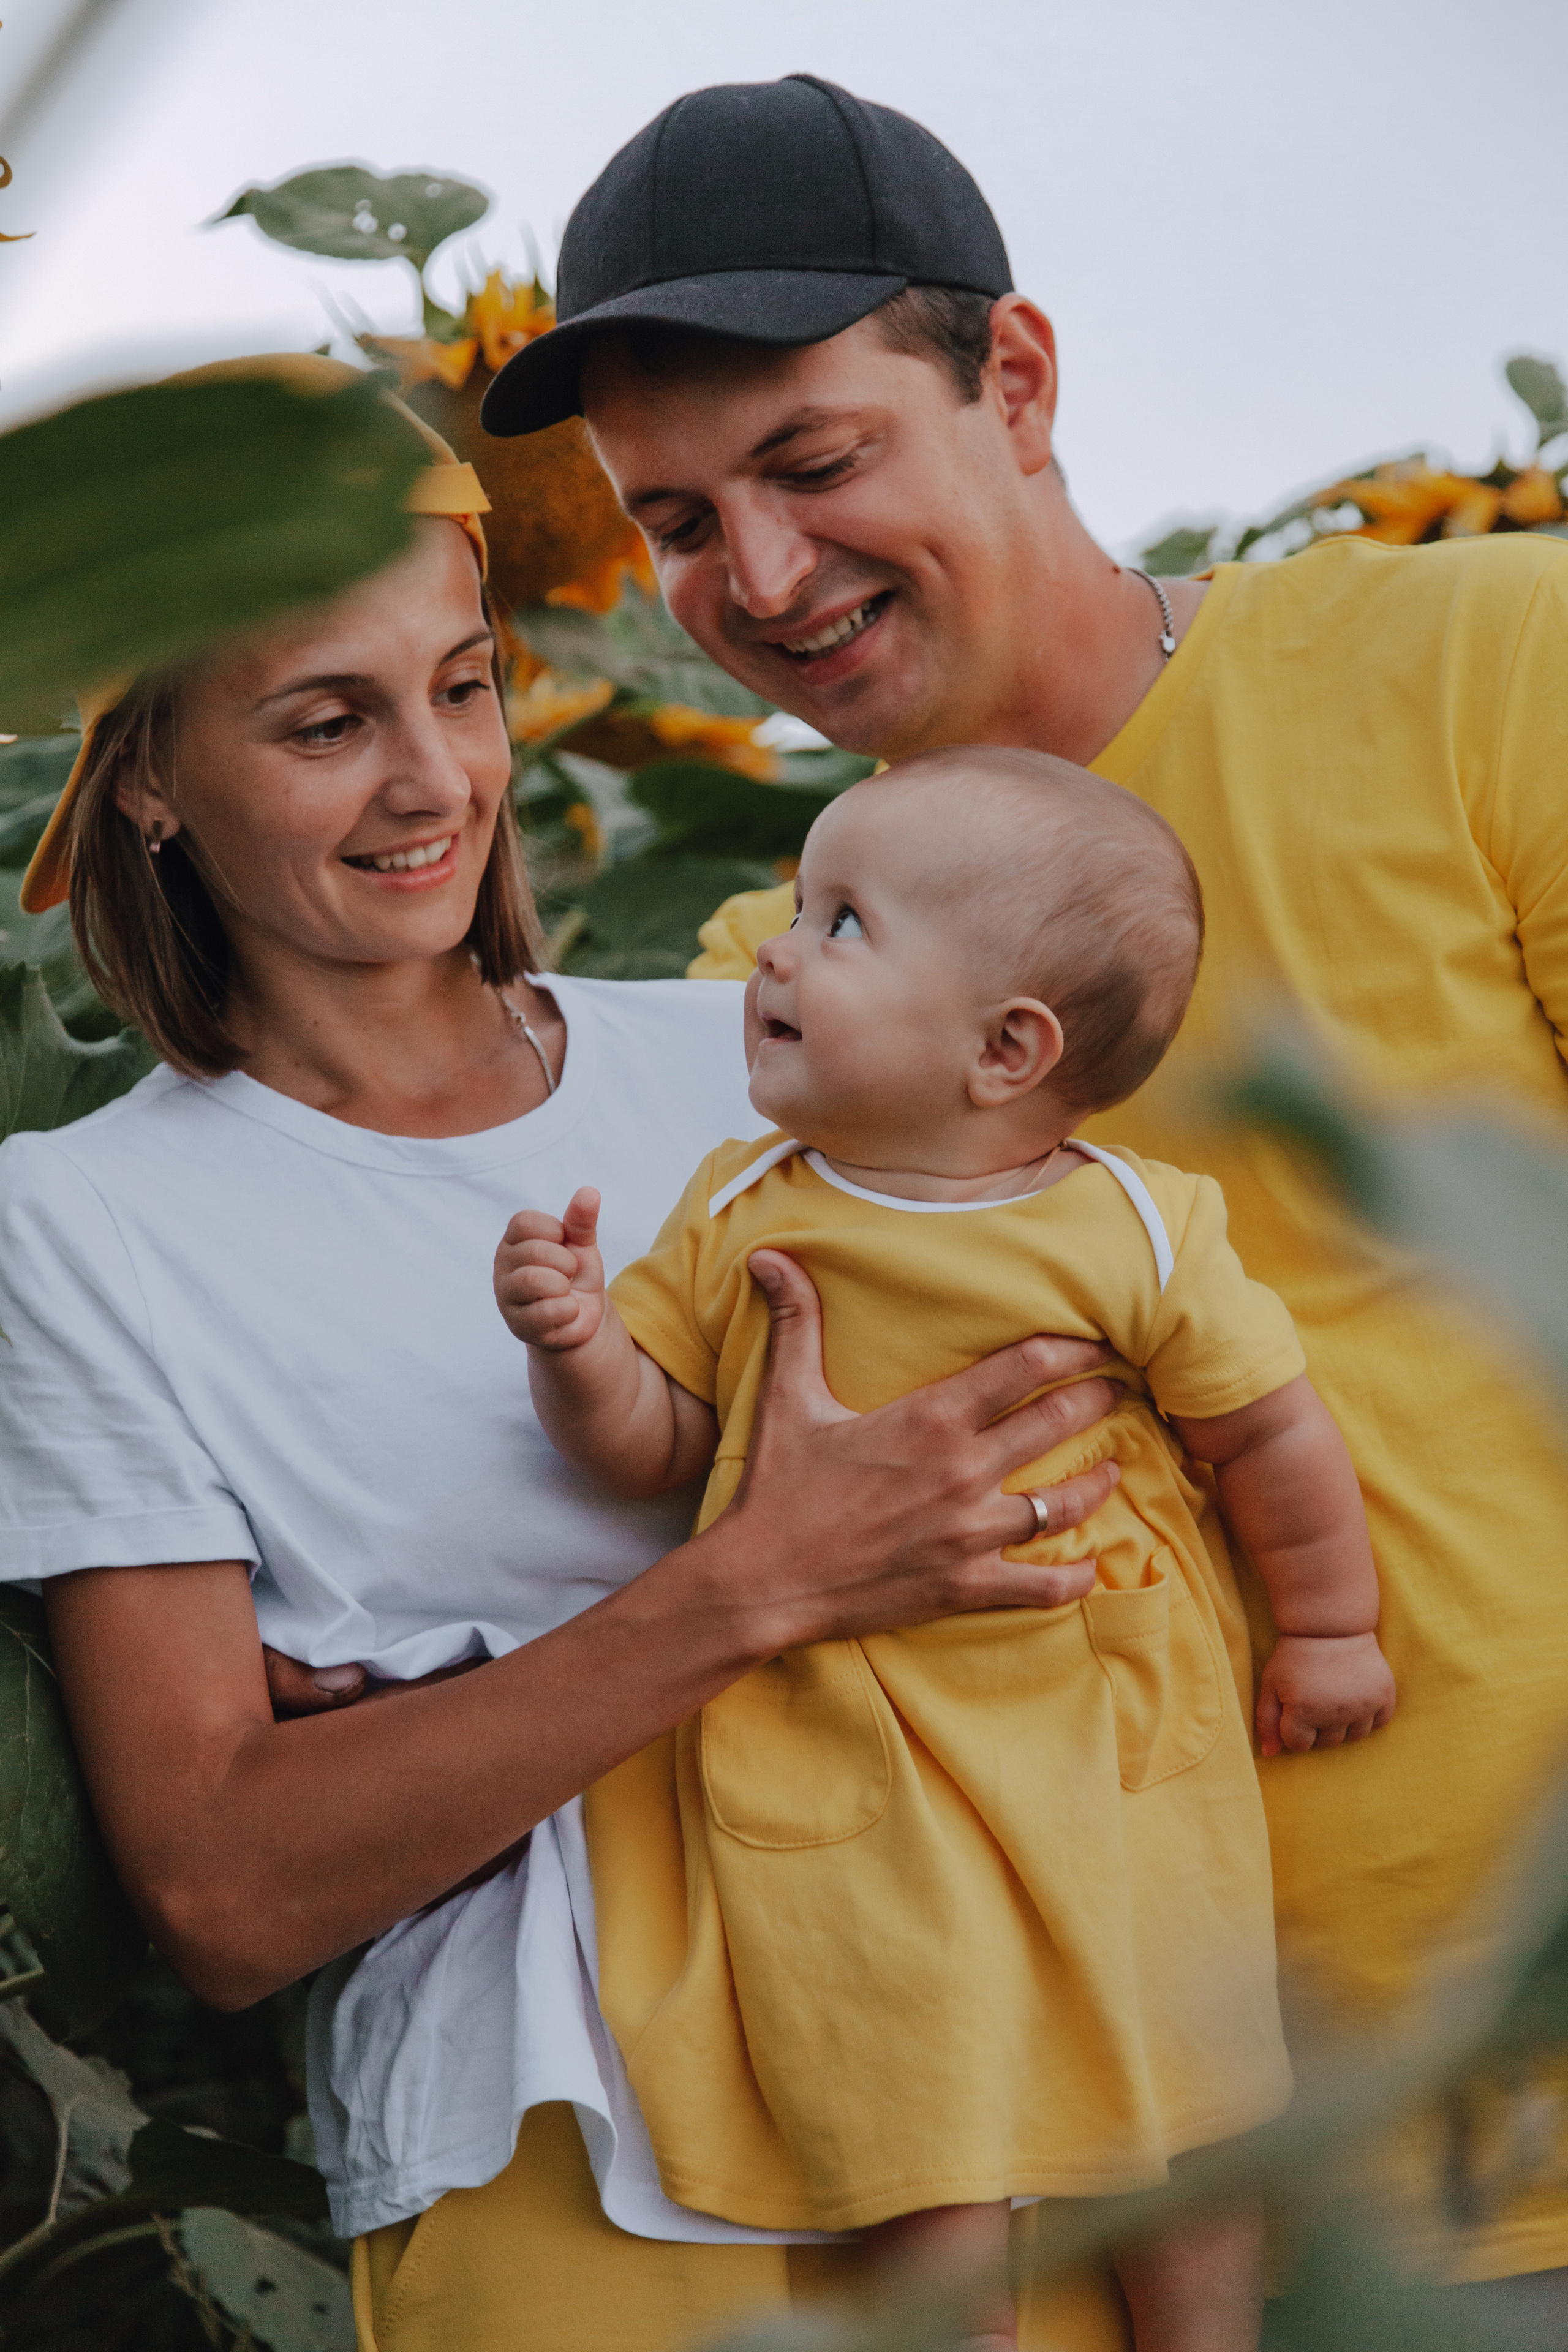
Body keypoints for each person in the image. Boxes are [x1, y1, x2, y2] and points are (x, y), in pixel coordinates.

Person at [480, 70, 1568, 2312]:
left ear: (1023, 381)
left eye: (814, 461)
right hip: (1117, 2184)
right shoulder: (755, 993)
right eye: (675, 520)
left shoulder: (1489, 669)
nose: (755, 581)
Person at [0, 353, 1130, 2352]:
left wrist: (474, 1716)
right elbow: (230, 1891)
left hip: (975, 2073)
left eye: (461, 685)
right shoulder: (82, 1228)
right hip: (541, 2118)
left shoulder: (763, 1061)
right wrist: (757, 1583)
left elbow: (1071, 1453)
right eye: (327, 721)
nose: (435, 780)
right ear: (151, 776)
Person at [498, 749, 1396, 2350]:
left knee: (1181, 2060)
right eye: (797, 906)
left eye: (841, 925)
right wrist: (579, 1351)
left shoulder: (1134, 1223)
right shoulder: (743, 1207)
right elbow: (662, 1443)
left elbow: (1268, 1430)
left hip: (1104, 1714)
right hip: (846, 1729)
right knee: (902, 2058)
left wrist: (1330, 1626)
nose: (775, 950)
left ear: (1008, 1049)